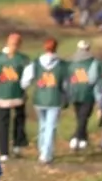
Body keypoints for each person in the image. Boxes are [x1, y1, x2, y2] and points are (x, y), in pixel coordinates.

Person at [20, 37, 68, 165]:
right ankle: (46, 154)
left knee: (43, 125)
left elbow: (25, 81)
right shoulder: (62, 65)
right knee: (50, 127)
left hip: (39, 99)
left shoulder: (35, 64)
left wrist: (29, 86)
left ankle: (42, 149)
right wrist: (67, 96)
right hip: (55, 98)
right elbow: (66, 85)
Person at [0, 34, 30, 162]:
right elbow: (27, 79)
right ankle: (17, 145)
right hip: (18, 96)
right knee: (19, 119)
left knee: (2, 123)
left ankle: (4, 152)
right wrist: (23, 89)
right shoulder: (23, 59)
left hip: (1, 97)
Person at [67, 40, 102, 151]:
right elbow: (94, 79)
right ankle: (76, 137)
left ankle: (83, 139)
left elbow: (67, 78)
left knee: (80, 116)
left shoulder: (71, 61)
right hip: (88, 92)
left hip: (74, 92)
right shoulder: (93, 62)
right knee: (83, 117)